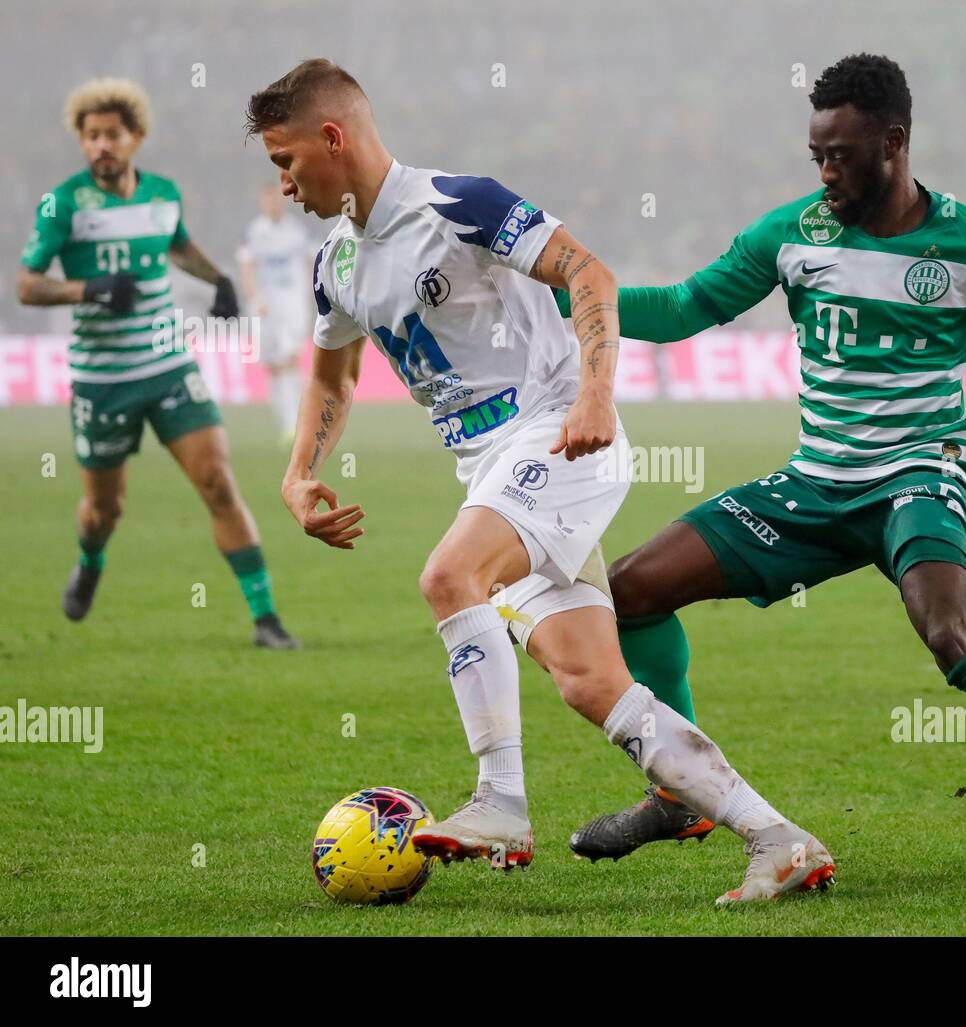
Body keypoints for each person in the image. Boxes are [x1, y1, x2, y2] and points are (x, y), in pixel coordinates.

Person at [559, 54, 966, 887]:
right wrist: (561, 291)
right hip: (815, 485)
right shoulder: (792, 235)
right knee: (629, 590)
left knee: (951, 633)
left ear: (895, 142)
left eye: (841, 154)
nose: (826, 172)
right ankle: (681, 797)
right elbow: (683, 308)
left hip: (921, 476)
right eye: (816, 155)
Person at [246, 58, 834, 904]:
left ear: (331, 137)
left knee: (450, 575)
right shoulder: (336, 263)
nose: (285, 183)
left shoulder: (458, 202)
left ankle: (501, 802)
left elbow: (588, 273)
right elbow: (332, 378)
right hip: (494, 471)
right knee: (592, 682)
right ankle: (779, 839)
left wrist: (594, 390)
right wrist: (299, 474)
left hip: (560, 438)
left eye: (285, 160)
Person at [16, 77, 297, 649]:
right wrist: (87, 289)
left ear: (135, 138)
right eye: (91, 136)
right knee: (102, 509)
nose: (101, 146)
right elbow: (26, 285)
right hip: (102, 380)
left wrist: (217, 280)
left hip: (168, 365)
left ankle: (266, 619)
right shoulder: (62, 203)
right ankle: (90, 561)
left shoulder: (162, 194)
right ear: (81, 141)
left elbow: (177, 245)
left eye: (112, 135)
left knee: (218, 481)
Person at [237, 183, 315, 443]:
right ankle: (285, 419)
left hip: (292, 303)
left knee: (290, 358)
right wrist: (255, 297)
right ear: (262, 202)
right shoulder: (254, 232)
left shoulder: (297, 231)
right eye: (267, 199)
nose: (273, 204)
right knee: (273, 365)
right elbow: (247, 267)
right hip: (264, 307)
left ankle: (296, 421)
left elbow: (311, 261)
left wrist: (315, 295)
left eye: (276, 199)